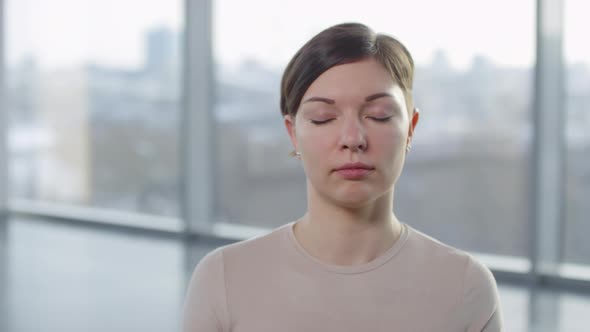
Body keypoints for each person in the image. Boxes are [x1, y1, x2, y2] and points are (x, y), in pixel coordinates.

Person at [182, 22, 503, 332]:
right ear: (293, 134)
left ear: (411, 128)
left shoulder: (465, 286)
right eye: (323, 118)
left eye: (379, 115)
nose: (353, 138)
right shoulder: (224, 279)